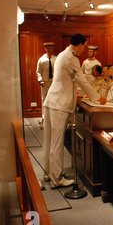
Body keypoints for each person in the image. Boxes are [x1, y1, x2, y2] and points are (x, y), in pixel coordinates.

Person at [42, 34, 106, 188]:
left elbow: (66, 80)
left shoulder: (63, 55)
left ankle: (49, 173)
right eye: (84, 47)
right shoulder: (71, 58)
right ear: (79, 44)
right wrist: (97, 98)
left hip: (52, 100)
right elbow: (81, 80)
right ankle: (56, 179)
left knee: (50, 141)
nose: (84, 50)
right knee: (57, 143)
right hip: (59, 104)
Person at [36, 42, 56, 129]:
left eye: (51, 48)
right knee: (44, 100)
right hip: (45, 82)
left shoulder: (56, 59)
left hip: (54, 82)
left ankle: (53, 119)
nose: (49, 50)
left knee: (54, 99)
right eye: (48, 48)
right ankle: (44, 119)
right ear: (45, 49)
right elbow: (38, 71)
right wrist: (40, 81)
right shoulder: (42, 60)